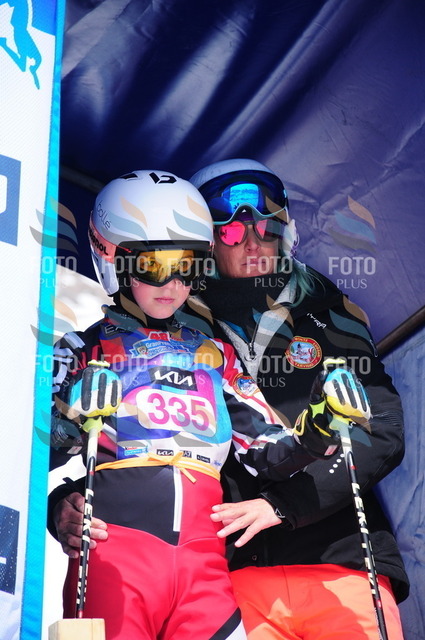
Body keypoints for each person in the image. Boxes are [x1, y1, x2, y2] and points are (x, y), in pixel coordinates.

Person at [48, 169, 344, 640]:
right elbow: (28, 454)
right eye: (155, 265)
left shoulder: (215, 355)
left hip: (204, 570)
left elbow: (267, 452)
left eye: (188, 265)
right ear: (111, 257)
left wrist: (319, 429)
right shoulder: (81, 350)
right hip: (114, 560)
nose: (173, 282)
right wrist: (69, 424)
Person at [184, 158, 409, 639]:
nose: (252, 243)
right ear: (205, 243)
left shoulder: (328, 310)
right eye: (232, 232)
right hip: (234, 576)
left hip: (344, 564)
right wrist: (66, 499)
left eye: (266, 228)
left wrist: (285, 504)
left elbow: (382, 429)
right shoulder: (178, 329)